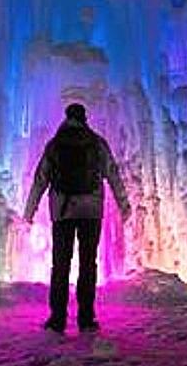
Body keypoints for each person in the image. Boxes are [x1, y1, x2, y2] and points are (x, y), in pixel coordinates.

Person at [23, 103, 131, 335]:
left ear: (67, 118)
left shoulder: (55, 145)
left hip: (62, 211)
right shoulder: (97, 143)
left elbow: (40, 179)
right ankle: (86, 318)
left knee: (61, 265)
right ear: (84, 118)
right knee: (88, 264)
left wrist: (29, 212)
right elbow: (113, 174)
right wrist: (124, 206)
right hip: (91, 212)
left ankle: (57, 318)